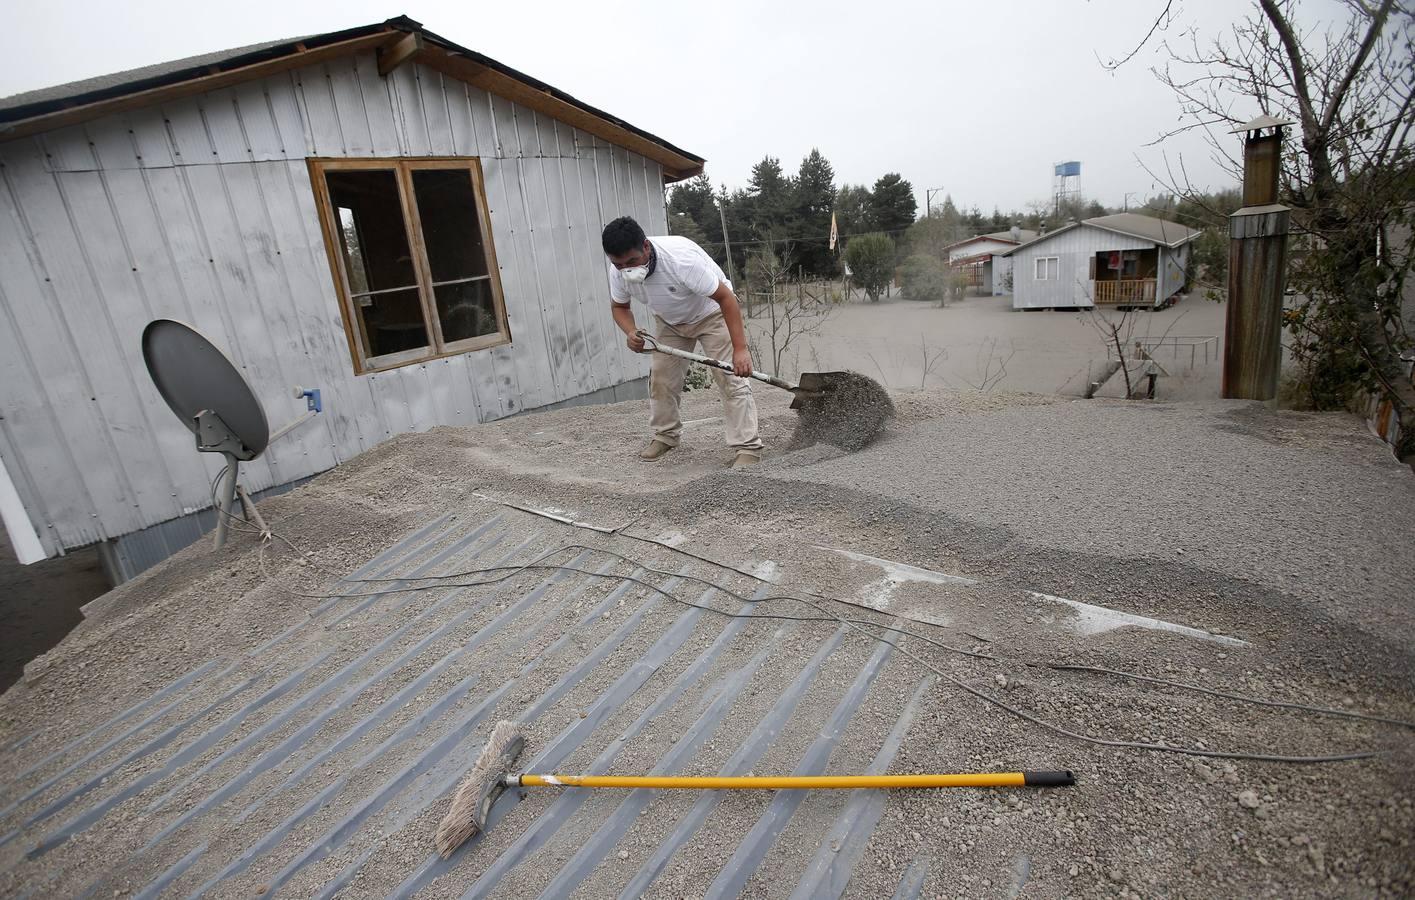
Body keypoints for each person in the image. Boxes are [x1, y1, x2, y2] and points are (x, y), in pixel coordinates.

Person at [601, 216, 763, 468]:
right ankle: (665, 435)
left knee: (730, 379)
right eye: (619, 264)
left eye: (631, 261)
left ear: (645, 246)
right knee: (662, 379)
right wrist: (630, 332)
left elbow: (727, 299)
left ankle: (748, 448)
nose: (626, 269)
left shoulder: (681, 261)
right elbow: (619, 306)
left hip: (711, 313)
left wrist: (740, 349)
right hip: (669, 321)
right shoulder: (618, 272)